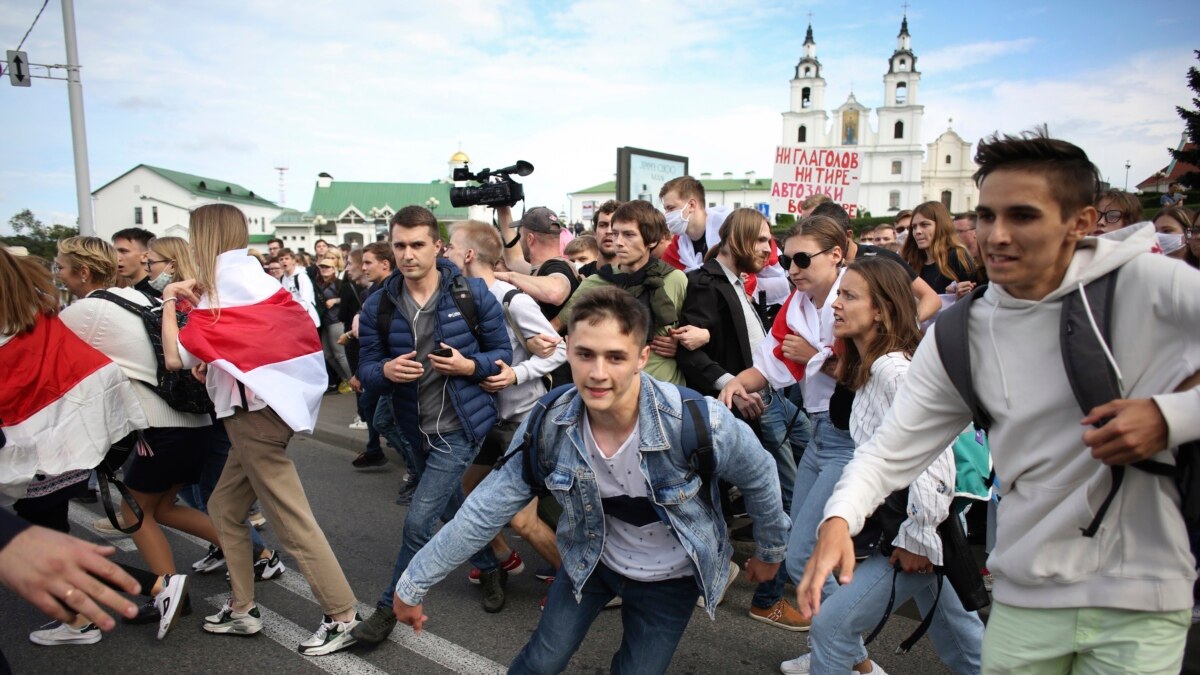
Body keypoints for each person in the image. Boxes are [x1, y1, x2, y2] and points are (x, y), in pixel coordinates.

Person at [799, 128, 1200, 673]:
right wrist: (840, 519)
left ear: (1080, 223)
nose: (996, 234)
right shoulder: (960, 332)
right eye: (986, 216)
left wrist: (1169, 416)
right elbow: (895, 448)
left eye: (1023, 216)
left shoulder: (1146, 284)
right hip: (1025, 592)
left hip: (1138, 593)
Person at [391, 287, 791, 674]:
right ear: (568, 349)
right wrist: (413, 584)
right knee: (541, 661)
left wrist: (771, 551)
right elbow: (484, 509)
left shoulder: (700, 422)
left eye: (616, 357)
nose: (598, 374)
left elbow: (760, 477)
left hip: (672, 578)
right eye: (585, 354)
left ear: (642, 357)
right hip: (591, 558)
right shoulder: (550, 422)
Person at [161, 203, 362, 656]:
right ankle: (241, 607)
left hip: (252, 416)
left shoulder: (219, 288)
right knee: (224, 507)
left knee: (290, 520)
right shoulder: (256, 279)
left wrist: (172, 298)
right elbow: (287, 335)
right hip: (264, 410)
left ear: (203, 238)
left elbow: (176, 357)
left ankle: (343, 614)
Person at [780, 256, 983, 675]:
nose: (836, 304)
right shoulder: (870, 368)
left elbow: (935, 461)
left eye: (849, 296)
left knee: (832, 629)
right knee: (965, 645)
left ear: (882, 310)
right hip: (910, 530)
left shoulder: (894, 371)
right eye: (839, 294)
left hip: (915, 533)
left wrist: (917, 536)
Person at [353, 205, 512, 645]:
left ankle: (388, 608)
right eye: (399, 245)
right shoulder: (379, 303)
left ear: (437, 246)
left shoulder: (471, 293)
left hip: (459, 426)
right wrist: (384, 372)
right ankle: (492, 564)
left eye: (417, 244)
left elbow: (503, 354)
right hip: (409, 426)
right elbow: (365, 366)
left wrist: (468, 366)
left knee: (419, 521)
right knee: (447, 507)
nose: (407, 254)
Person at [55, 236, 224, 629]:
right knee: (162, 508)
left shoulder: (87, 311)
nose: (57, 275)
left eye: (61, 267)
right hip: (193, 420)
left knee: (131, 513)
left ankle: (168, 590)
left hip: (160, 427)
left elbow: (50, 364)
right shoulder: (141, 298)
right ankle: (250, 553)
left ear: (82, 271)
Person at [675, 207, 812, 630]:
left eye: (770, 242)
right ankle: (769, 596)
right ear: (737, 239)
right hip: (753, 402)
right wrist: (730, 385)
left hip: (775, 398)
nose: (768, 250)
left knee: (811, 479)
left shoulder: (738, 283)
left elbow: (733, 339)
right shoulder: (705, 280)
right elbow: (690, 350)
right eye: (761, 241)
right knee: (788, 494)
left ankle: (800, 566)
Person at [719, 216, 860, 610]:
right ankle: (840, 656)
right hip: (821, 433)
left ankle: (847, 655)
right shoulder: (797, 304)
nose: (792, 270)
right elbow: (767, 366)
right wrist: (734, 383)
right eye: (787, 261)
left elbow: (882, 372)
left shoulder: (861, 295)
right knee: (804, 550)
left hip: (852, 437)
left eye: (802, 260)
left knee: (801, 557)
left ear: (835, 255)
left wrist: (814, 358)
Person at [443, 219, 568, 598]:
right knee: (466, 488)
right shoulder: (460, 296)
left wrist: (516, 374)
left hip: (523, 422)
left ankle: (582, 584)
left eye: (449, 246)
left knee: (522, 517)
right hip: (490, 421)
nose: (444, 252)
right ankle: (503, 555)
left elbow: (559, 350)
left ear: (467, 254)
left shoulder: (513, 299)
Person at [558, 200, 688, 385]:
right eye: (615, 233)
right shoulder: (597, 281)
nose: (618, 242)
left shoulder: (676, 279)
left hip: (665, 392)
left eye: (628, 235)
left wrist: (682, 346)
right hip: (613, 388)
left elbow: (695, 332)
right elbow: (557, 327)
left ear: (651, 240)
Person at [659, 176, 791, 306]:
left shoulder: (738, 228)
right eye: (665, 209)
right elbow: (663, 276)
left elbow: (772, 270)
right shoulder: (678, 244)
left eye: (670, 208)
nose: (667, 215)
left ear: (692, 205)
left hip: (759, 304)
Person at [812, 201, 942, 322]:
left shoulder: (881, 258)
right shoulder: (815, 263)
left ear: (849, 235)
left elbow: (931, 299)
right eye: (817, 240)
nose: (824, 246)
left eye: (830, 239)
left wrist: (904, 327)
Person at [900, 201, 978, 295]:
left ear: (940, 226)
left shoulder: (957, 255)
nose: (917, 231)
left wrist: (957, 294)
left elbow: (976, 294)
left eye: (924, 225)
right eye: (914, 227)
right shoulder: (910, 260)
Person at [315, 255, 353, 394]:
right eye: (323, 267)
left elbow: (347, 298)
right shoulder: (318, 283)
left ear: (334, 269)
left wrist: (335, 300)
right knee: (327, 355)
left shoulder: (338, 283)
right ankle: (345, 378)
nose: (325, 269)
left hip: (336, 321)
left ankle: (352, 379)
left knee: (339, 354)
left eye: (328, 267)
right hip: (324, 322)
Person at [111, 227, 159, 298]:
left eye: (123, 251)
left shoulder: (156, 295)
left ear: (145, 256)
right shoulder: (131, 291)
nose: (116, 257)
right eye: (114, 252)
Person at [278, 247, 320, 327]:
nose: (284, 261)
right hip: (291, 319)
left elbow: (306, 301)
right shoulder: (283, 278)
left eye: (287, 258)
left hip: (307, 319)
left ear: (293, 261)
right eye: (281, 259)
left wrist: (292, 310)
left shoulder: (301, 277)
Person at [579, 199, 621, 277]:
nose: (609, 231)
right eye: (603, 225)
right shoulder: (580, 275)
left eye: (614, 225)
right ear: (595, 232)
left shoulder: (634, 277)